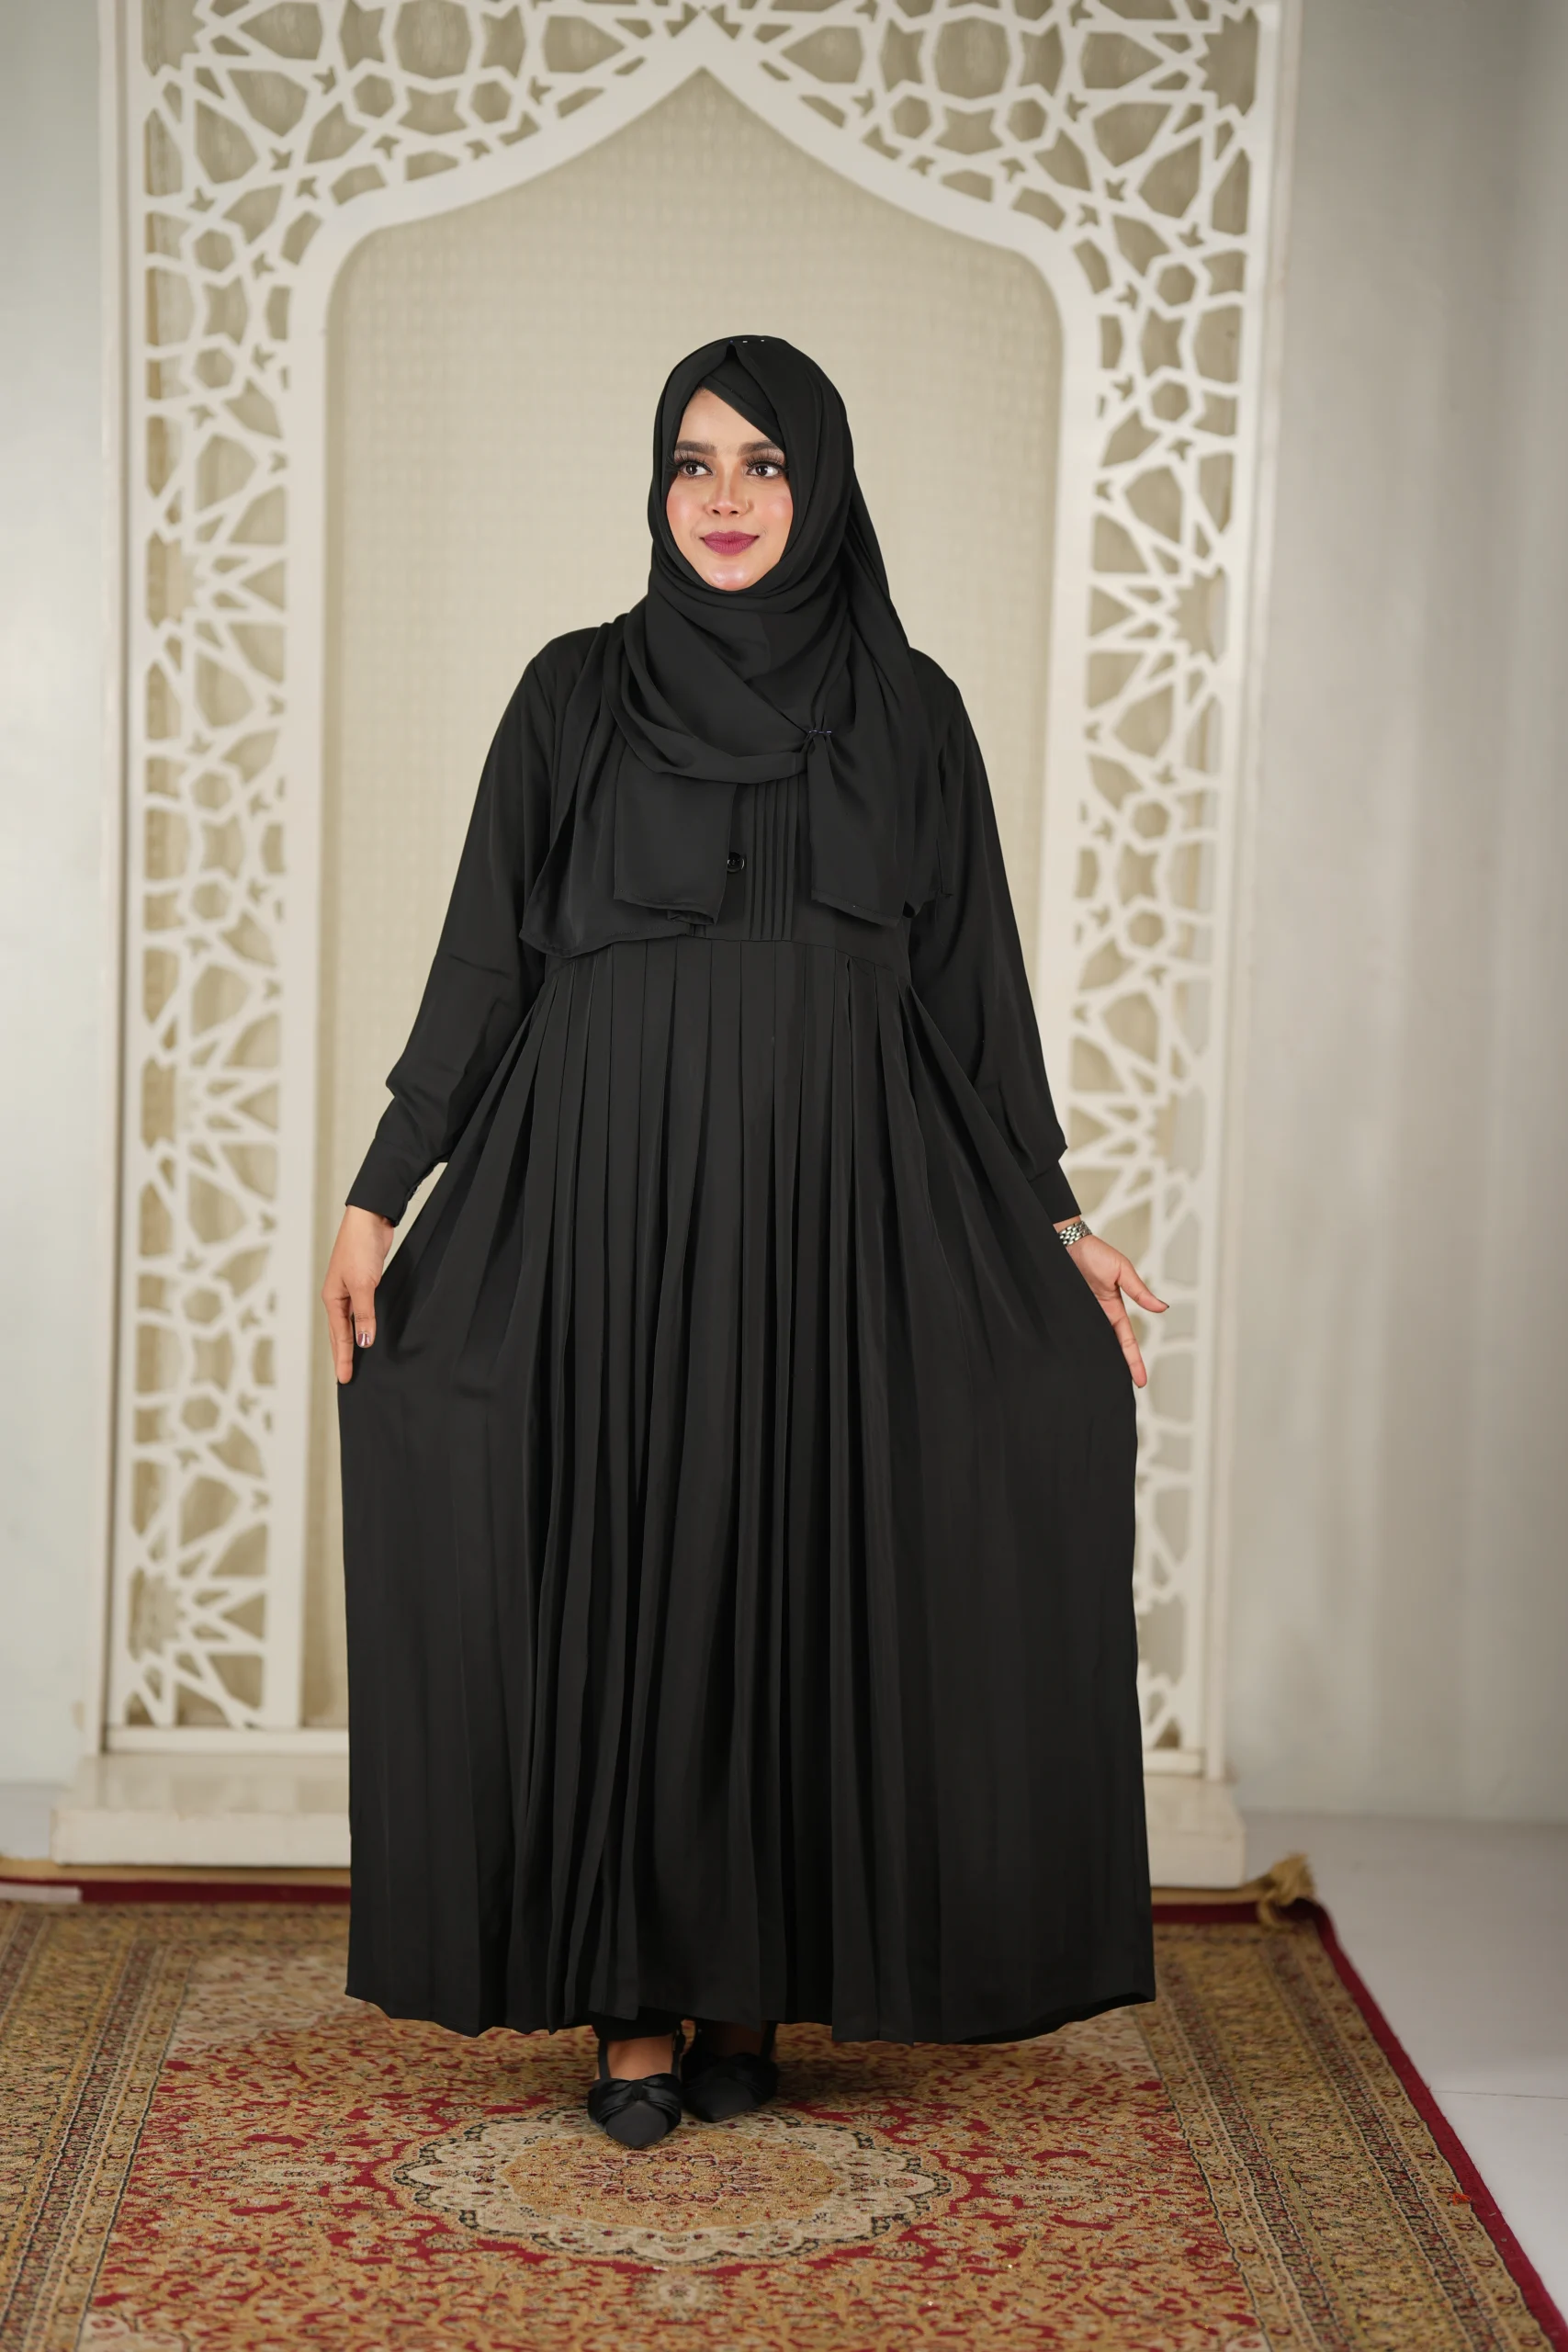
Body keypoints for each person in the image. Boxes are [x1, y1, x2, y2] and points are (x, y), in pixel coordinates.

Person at [322, 335, 1162, 2152]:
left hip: (829, 1209)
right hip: (601, 1195)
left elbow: (972, 993)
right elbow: (483, 961)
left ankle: (744, 1992)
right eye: (693, 460)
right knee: (626, 1571)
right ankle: (630, 2010)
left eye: (764, 463)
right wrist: (383, 1188)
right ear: (655, 485)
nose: (722, 496)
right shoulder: (573, 692)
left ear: (822, 484)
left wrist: (1056, 1220)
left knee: (790, 1573)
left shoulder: (909, 711)